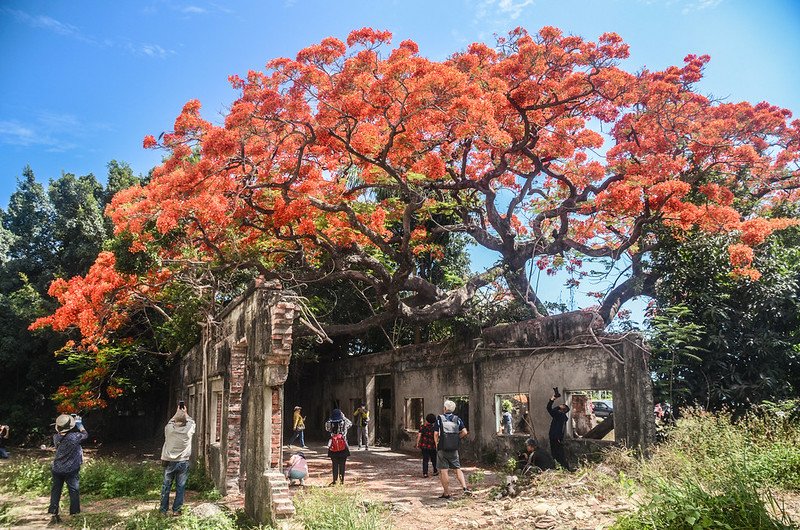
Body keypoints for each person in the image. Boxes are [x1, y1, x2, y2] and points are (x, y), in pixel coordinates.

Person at [48, 414, 88, 523]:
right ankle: (75, 514)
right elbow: (85, 435)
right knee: (73, 490)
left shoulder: (56, 437)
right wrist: (80, 425)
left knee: (56, 490)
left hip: (57, 468)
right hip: (71, 469)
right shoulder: (74, 437)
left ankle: (54, 513)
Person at [160, 404, 196, 516]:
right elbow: (192, 422)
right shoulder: (188, 432)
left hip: (169, 462)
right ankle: (176, 510)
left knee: (166, 486)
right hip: (183, 462)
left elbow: (171, 421)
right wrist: (185, 413)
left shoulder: (169, 430)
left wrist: (177, 412)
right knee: (180, 487)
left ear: (175, 421)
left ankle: (163, 510)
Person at [433, 400, 470, 499]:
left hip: (442, 448)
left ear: (445, 408)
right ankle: (465, 488)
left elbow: (436, 433)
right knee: (457, 469)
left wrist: (436, 444)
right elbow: (465, 432)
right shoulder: (457, 419)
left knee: (443, 471)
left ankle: (447, 492)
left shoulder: (439, 419)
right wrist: (457, 438)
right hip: (454, 448)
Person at [546, 394, 573, 472]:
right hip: (556, 438)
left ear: (562, 410)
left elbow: (549, 409)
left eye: (562, 406)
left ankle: (564, 469)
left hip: (555, 438)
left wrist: (553, 399)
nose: (560, 405)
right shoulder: (561, 416)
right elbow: (552, 411)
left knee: (557, 455)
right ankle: (563, 469)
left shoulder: (559, 415)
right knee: (558, 455)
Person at [325, 409, 352, 485]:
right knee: (342, 464)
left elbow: (327, 428)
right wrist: (343, 417)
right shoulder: (344, 422)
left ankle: (334, 481)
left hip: (333, 446)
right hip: (343, 445)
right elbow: (351, 424)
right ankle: (342, 481)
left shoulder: (329, 422)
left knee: (335, 464)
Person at [415, 413, 438, 478]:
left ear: (427, 420)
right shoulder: (435, 428)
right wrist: (437, 444)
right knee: (434, 459)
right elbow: (436, 436)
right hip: (432, 446)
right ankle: (435, 470)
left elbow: (419, 435)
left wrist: (417, 443)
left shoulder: (423, 427)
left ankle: (425, 473)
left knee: (425, 459)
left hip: (424, 446)